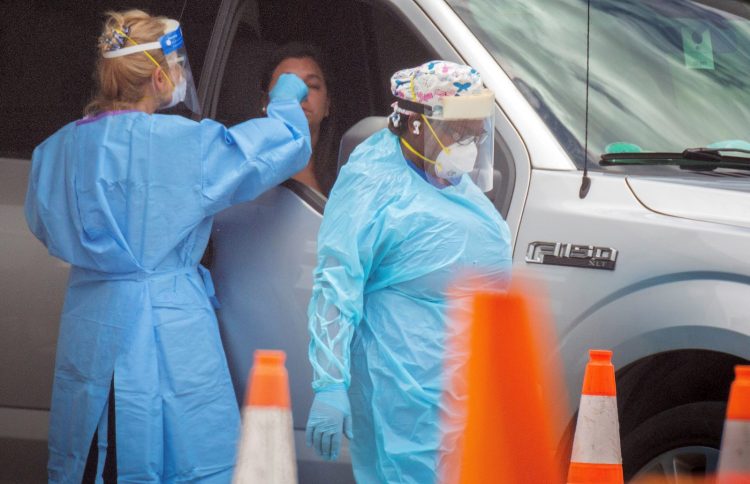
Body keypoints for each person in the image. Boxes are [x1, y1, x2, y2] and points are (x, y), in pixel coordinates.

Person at [24, 10, 311, 483]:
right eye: (176, 66)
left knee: (97, 456)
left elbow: (42, 222)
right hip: (167, 323)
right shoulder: (184, 144)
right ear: (159, 77)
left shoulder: (55, 150)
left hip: (93, 321)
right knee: (183, 456)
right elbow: (270, 150)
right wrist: (285, 103)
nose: (180, 76)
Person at [304, 60, 512, 483]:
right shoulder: (373, 182)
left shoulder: (449, 179)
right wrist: (329, 384)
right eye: (458, 131)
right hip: (401, 382)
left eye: (475, 132)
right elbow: (336, 283)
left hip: (461, 383)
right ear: (416, 126)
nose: (469, 144)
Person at [260, 42, 337, 196]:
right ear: (265, 103)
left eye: (312, 85)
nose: (300, 94)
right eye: (287, 86)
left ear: (327, 105)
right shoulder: (248, 173)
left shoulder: (345, 177)